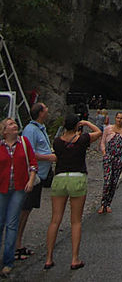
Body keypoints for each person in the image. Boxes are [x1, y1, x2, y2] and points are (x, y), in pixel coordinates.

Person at [45, 113, 102, 270]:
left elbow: (57, 157)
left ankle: (49, 258)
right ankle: (74, 258)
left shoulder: (57, 142)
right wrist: (86, 123)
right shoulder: (82, 140)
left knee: (55, 219)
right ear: (77, 126)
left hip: (60, 178)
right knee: (76, 221)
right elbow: (98, 132)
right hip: (77, 178)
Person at [15, 103, 57, 261]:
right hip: (33, 176)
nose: (47, 110)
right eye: (45, 108)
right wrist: (49, 157)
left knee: (28, 210)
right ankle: (16, 246)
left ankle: (18, 244)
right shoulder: (30, 130)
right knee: (23, 211)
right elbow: (27, 153)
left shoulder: (40, 128)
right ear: (40, 112)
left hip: (41, 175)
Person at [0, 118, 37, 277]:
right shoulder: (0, 146)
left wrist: (31, 179)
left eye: (15, 123)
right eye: (10, 124)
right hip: (2, 188)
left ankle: (8, 261)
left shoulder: (24, 142)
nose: (14, 125)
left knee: (12, 223)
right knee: (0, 223)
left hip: (19, 188)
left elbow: (33, 163)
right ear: (4, 131)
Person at [98, 111, 122, 214]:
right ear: (115, 118)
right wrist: (104, 152)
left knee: (114, 181)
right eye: (118, 118)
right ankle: (103, 203)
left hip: (118, 158)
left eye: (121, 118)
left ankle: (108, 204)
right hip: (108, 157)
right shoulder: (108, 129)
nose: (119, 120)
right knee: (107, 180)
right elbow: (102, 142)